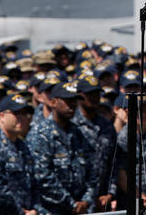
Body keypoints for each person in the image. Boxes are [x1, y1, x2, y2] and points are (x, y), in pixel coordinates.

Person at [26, 81, 97, 214]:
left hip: (81, 209)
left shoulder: (78, 133)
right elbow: (42, 177)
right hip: (51, 210)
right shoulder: (40, 134)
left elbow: (92, 171)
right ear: (53, 102)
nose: (72, 105)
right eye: (67, 101)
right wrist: (72, 204)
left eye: (74, 101)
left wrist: (86, 200)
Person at [0, 94, 42, 214]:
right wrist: (21, 212)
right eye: (16, 113)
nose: (21, 118)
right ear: (2, 116)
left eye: (24, 113)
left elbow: (33, 182)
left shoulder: (22, 146)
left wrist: (34, 209)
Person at [72, 76, 117, 212]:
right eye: (89, 94)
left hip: (102, 201)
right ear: (79, 96)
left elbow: (114, 162)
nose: (94, 98)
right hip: (77, 202)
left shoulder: (107, 126)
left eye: (97, 94)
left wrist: (110, 192)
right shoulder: (71, 124)